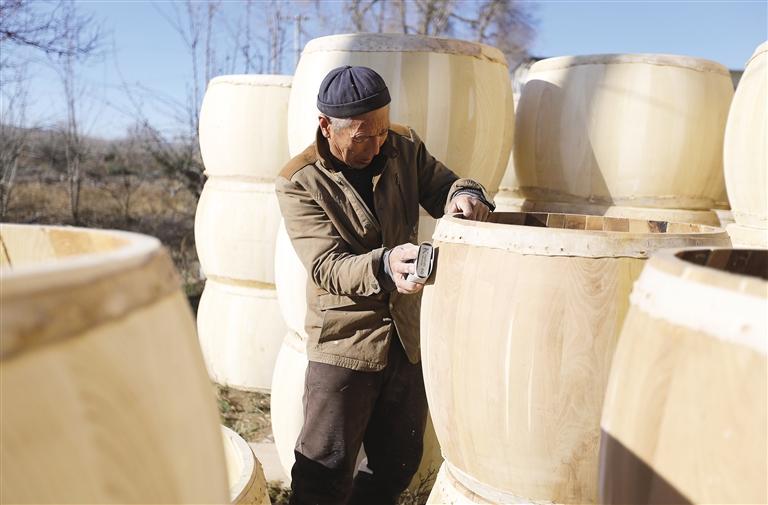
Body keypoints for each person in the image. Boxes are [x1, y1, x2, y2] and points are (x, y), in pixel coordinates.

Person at [275, 65, 494, 505]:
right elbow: (327, 266)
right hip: (344, 340)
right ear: (326, 126)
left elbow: (446, 187)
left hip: (406, 338)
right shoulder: (299, 180)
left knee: (396, 466)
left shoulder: (402, 145)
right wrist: (386, 264)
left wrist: (464, 196)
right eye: (362, 137)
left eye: (381, 131)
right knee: (323, 472)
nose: (377, 146)